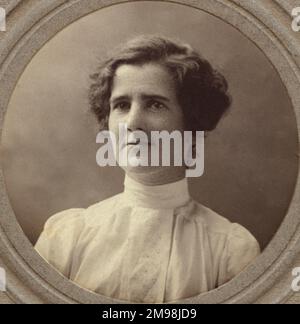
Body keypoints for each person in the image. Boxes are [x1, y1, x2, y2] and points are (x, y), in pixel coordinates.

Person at [35, 35, 260, 303]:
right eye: (121, 105)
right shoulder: (67, 238)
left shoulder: (229, 251)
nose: (132, 123)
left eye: (155, 104)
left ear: (191, 122)